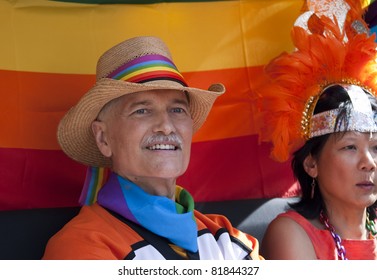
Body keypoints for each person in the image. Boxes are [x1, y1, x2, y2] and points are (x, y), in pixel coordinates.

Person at [42, 36, 263, 260]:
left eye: (177, 110)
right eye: (142, 111)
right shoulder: (80, 246)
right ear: (103, 138)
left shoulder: (227, 237)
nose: (166, 127)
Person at [254, 0, 377, 259]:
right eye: (350, 146)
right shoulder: (291, 234)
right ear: (311, 164)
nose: (369, 163)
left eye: (376, 148)